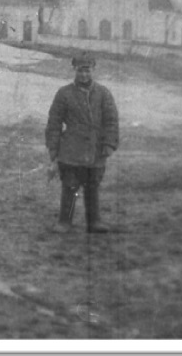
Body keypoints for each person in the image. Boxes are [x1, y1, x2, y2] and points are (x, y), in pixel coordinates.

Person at [45, 50, 119, 233]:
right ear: (74, 70)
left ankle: (94, 222)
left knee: (92, 186)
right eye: (80, 70)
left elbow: (111, 121)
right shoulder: (64, 94)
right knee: (70, 185)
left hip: (96, 150)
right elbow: (54, 123)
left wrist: (109, 144)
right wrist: (54, 150)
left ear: (93, 70)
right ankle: (65, 222)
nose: (84, 74)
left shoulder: (103, 93)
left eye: (87, 70)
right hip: (71, 150)